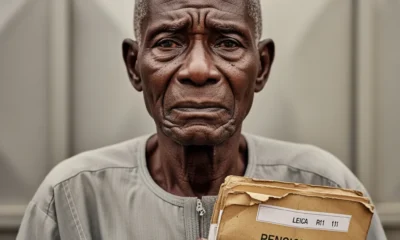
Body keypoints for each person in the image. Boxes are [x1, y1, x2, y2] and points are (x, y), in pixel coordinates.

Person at [17, 0, 387, 239]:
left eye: (227, 43)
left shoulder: (327, 188)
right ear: (134, 66)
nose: (198, 70)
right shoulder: (72, 199)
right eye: (168, 43)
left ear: (262, 68)